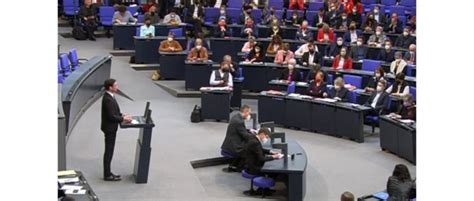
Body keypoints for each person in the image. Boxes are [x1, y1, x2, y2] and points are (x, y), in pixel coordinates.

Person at [101, 79, 132, 181]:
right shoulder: (107, 99)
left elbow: (114, 112)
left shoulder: (111, 97)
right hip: (109, 128)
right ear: (110, 87)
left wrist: (122, 115)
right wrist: (123, 119)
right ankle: (107, 175)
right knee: (109, 152)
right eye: (116, 85)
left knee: (110, 151)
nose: (117, 87)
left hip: (111, 128)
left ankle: (109, 172)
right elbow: (110, 116)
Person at [221, 105, 255, 171]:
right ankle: (241, 167)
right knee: (250, 148)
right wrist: (257, 136)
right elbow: (245, 136)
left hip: (230, 142)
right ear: (245, 112)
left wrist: (250, 130)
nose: (249, 115)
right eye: (249, 113)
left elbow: (240, 130)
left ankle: (238, 164)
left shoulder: (236, 116)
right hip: (233, 145)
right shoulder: (240, 121)